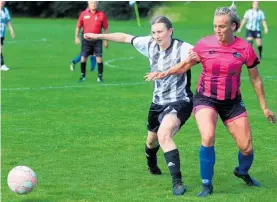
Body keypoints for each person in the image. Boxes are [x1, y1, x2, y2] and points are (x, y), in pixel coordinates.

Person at [145, 6, 276, 197]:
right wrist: (165, 72)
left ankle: (242, 171)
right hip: (205, 99)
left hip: (232, 103)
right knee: (207, 136)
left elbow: (255, 79)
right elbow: (184, 65)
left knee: (246, 147)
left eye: (222, 26)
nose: (218, 30)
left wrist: (264, 107)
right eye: (215, 26)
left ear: (234, 26)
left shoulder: (245, 48)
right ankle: (207, 184)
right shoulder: (204, 44)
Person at [84, 16, 199, 195]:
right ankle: (151, 163)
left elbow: (194, 59)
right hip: (157, 102)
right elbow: (124, 37)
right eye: (153, 32)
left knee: (164, 134)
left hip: (180, 101)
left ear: (170, 31)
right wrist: (98, 36)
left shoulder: (184, 47)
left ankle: (177, 182)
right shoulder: (149, 44)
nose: (157, 36)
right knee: (151, 141)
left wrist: (166, 72)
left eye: (160, 31)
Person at [75, 1, 108, 82]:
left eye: (95, 3)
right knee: (83, 58)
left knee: (99, 59)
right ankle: (83, 76)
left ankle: (100, 77)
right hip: (86, 40)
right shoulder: (83, 14)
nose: (94, 4)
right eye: (92, 3)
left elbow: (105, 28)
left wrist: (106, 40)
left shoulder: (101, 14)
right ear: (88, 4)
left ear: (97, 4)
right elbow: (78, 26)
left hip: (97, 40)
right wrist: (76, 37)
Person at [0, 1, 15, 71]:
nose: (3, 2)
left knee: (1, 48)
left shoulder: (5, 10)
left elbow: (8, 22)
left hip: (2, 33)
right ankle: (2, 65)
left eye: (4, 1)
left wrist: (11, 31)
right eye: (2, 1)